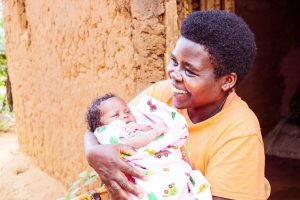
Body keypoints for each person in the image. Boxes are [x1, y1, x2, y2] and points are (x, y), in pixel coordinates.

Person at [84, 10, 271, 200]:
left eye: (190, 72)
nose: (173, 74)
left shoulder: (239, 133)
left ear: (227, 81)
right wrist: (93, 151)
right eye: (174, 61)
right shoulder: (161, 96)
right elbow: (103, 125)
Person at [86, 93, 212, 199]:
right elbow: (131, 143)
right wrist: (155, 132)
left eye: (127, 111)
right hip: (145, 171)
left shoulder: (131, 124)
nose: (124, 115)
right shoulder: (109, 131)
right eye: (115, 115)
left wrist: (142, 127)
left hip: (164, 165)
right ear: (100, 125)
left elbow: (145, 130)